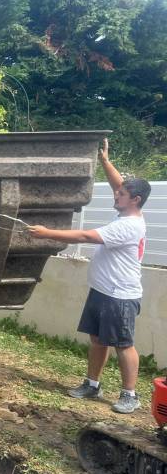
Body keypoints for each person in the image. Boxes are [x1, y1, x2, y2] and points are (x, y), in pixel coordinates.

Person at [27, 139, 150, 414]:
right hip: (102, 291)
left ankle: (130, 394)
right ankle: (92, 384)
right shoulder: (126, 212)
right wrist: (106, 162)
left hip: (120, 295)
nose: (116, 195)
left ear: (135, 200)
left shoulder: (129, 227)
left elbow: (85, 236)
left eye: (121, 194)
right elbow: (120, 184)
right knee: (98, 340)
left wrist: (46, 233)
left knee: (123, 344)